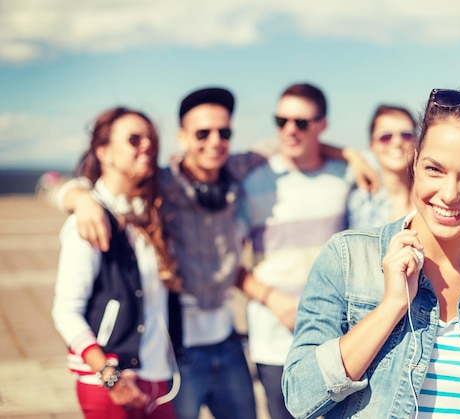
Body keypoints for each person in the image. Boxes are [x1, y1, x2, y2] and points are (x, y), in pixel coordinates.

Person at [51, 86, 377, 419]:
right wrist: (78, 197)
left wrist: (351, 154)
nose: (214, 141)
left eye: (224, 132)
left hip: (228, 343)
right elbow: (89, 189)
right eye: (202, 133)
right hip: (179, 351)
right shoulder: (161, 185)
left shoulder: (238, 169)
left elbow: (298, 142)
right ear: (182, 137)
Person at [282, 88, 460, 418]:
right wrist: (391, 306)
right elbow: (299, 396)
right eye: (435, 169)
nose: (448, 194)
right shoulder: (347, 257)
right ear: (416, 161)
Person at [238, 82, 361, 419]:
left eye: (301, 123)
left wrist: (351, 154)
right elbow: (227, 265)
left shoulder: (347, 177)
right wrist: (274, 300)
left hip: (339, 341)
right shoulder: (252, 182)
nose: (290, 130)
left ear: (322, 125)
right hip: (273, 341)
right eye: (282, 121)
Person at [51, 107, 178, 418]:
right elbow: (65, 311)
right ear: (104, 152)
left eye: (151, 140)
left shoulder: (151, 212)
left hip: (158, 380)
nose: (146, 146)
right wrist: (110, 377)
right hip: (111, 382)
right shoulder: (89, 221)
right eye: (134, 139)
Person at [347, 104, 417, 229]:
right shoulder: (359, 197)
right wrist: (351, 154)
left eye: (406, 135)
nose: (397, 142)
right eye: (385, 137)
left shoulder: (430, 196)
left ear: (416, 140)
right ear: (372, 145)